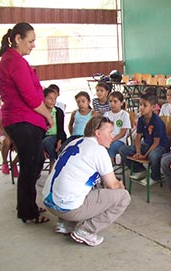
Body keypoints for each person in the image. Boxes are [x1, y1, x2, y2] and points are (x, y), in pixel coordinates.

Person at [42, 116, 130, 247]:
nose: (112, 136)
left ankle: (65, 224)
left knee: (90, 182)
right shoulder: (98, 150)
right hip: (67, 209)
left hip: (49, 202)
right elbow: (112, 185)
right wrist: (120, 186)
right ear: (98, 133)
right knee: (123, 197)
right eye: (110, 132)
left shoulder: (76, 142)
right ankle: (85, 231)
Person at [0, 22, 53, 223]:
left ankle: (29, 206)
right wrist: (47, 115)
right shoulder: (14, 61)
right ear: (18, 39)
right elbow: (29, 96)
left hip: (23, 120)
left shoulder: (12, 60)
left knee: (36, 161)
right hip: (22, 120)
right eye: (31, 41)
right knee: (30, 166)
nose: (33, 45)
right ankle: (28, 212)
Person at [119, 93, 168, 186]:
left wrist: (145, 155)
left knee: (153, 156)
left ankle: (155, 176)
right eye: (140, 104)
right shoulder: (141, 119)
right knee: (123, 150)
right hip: (146, 145)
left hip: (159, 146)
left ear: (153, 107)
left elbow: (156, 142)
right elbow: (138, 137)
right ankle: (140, 170)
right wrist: (138, 152)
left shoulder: (157, 122)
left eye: (145, 105)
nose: (141, 107)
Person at [41, 88, 66, 172]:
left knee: (46, 142)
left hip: (56, 136)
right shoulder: (40, 113)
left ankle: (53, 160)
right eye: (50, 98)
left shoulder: (58, 112)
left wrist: (59, 141)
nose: (53, 101)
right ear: (43, 99)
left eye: (54, 99)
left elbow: (61, 130)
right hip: (43, 137)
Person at [103, 91, 131, 164]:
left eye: (115, 101)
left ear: (121, 103)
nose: (112, 104)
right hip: (108, 139)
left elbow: (123, 133)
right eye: (110, 101)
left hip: (120, 140)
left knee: (111, 146)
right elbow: (103, 129)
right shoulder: (106, 114)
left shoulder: (124, 114)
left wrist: (112, 139)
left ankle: (110, 168)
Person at [0, 105, 19, 176]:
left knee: (25, 144)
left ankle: (14, 163)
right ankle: (4, 162)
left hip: (15, 136)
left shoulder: (16, 110)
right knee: (7, 141)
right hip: (3, 136)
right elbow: (2, 129)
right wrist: (12, 140)